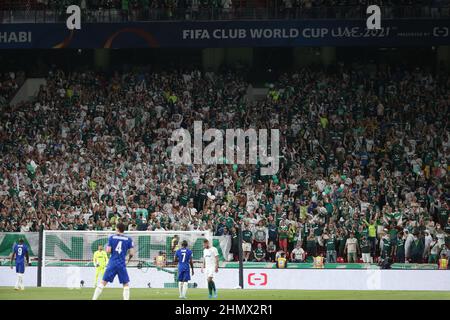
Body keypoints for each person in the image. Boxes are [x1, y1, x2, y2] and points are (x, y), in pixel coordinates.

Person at [92, 223, 134, 300]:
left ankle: (94, 299)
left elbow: (108, 251)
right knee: (126, 284)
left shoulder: (112, 237)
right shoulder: (129, 239)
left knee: (103, 282)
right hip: (121, 263)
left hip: (112, 262)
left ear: (117, 229)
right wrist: (128, 260)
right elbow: (131, 253)